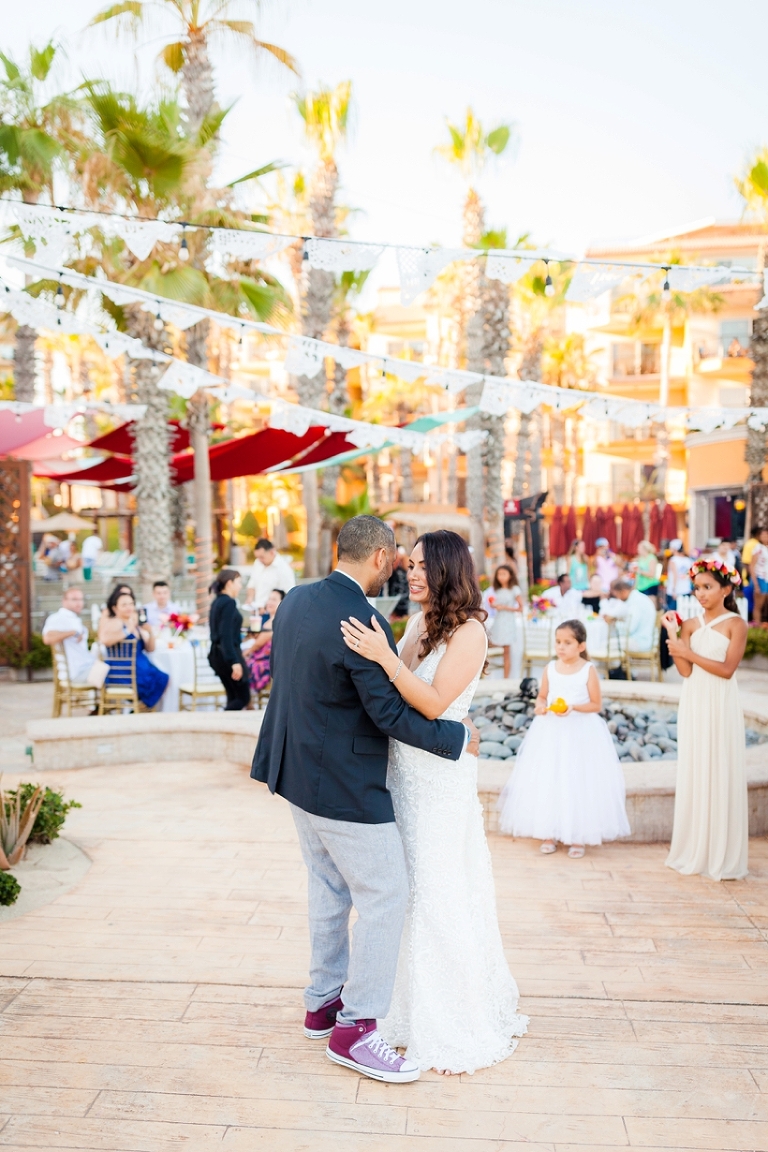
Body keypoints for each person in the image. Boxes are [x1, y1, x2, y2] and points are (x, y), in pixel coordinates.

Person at [251, 515, 480, 1084]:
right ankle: (354, 1030)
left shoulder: (296, 600)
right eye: (401, 559)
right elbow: (389, 714)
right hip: (344, 786)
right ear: (380, 557)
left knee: (329, 887)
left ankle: (322, 1003)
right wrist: (457, 738)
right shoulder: (362, 618)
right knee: (385, 895)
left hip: (295, 773)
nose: (404, 569)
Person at [339, 530, 527, 1075]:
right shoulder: (419, 623)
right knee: (404, 889)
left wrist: (384, 656)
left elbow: (433, 702)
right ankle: (397, 1008)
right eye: (410, 565)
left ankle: (450, 1019)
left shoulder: (470, 632)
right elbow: (394, 696)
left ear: (447, 569)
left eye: (423, 566)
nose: (412, 573)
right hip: (404, 773)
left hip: (440, 781)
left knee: (437, 889)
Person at [497, 619, 630, 857]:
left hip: (580, 731)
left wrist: (573, 707)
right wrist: (540, 706)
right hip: (551, 731)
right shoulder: (550, 668)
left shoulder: (588, 670)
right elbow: (542, 696)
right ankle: (549, 831)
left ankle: (577, 835)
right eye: (558, 641)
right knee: (550, 777)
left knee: (578, 780)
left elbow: (596, 704)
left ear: (581, 646)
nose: (561, 647)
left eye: (567, 642)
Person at [663, 559, 748, 881]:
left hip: (721, 702)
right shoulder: (689, 624)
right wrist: (673, 635)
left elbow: (726, 670)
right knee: (696, 767)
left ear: (726, 589)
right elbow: (685, 672)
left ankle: (720, 852)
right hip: (695, 701)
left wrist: (688, 653)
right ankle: (694, 847)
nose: (700, 593)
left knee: (721, 765)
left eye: (707, 587)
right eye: (697, 587)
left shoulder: (736, 624)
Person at [98, 587, 169, 709]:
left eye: (131, 604)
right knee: (158, 679)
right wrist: (127, 630)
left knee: (162, 678)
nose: (129, 607)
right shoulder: (116, 622)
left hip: (139, 668)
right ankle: (138, 710)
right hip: (123, 671)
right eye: (124, 605)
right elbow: (105, 640)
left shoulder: (134, 624)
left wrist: (150, 632)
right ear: (115, 608)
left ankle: (138, 710)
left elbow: (150, 649)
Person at [208, 569, 250, 711]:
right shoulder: (228, 603)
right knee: (243, 697)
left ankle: (225, 722)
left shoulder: (217, 601)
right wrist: (234, 661)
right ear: (229, 583)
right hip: (227, 655)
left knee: (233, 696)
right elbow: (225, 634)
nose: (240, 586)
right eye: (238, 582)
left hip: (217, 654)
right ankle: (219, 719)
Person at [42, 587, 95, 683]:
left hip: (86, 667)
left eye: (81, 599)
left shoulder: (74, 619)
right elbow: (47, 638)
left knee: (113, 667)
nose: (79, 603)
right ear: (64, 601)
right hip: (76, 673)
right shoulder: (58, 618)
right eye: (74, 599)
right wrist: (72, 633)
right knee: (112, 671)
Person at [244, 588, 285, 694]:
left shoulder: (276, 621)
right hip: (264, 661)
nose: (270, 602)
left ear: (282, 602)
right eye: (269, 599)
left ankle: (245, 699)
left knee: (241, 665)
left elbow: (258, 644)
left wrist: (245, 653)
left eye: (274, 599)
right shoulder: (269, 621)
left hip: (267, 665)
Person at [602, 578, 657, 653]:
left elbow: (630, 628)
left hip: (640, 641)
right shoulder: (637, 598)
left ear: (623, 591)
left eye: (617, 595)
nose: (618, 598)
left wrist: (614, 622)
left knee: (604, 644)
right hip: (643, 639)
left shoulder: (636, 602)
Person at [488, 563, 524, 678]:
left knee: (506, 652)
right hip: (498, 621)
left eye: (504, 574)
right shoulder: (497, 590)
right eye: (499, 574)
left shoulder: (514, 589)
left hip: (508, 622)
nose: (501, 577)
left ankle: (506, 678)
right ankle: (489, 674)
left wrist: (504, 607)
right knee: (489, 643)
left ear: (510, 575)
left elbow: (520, 608)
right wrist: (494, 605)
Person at [245, 538, 295, 610]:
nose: (259, 560)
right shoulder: (258, 563)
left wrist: (267, 608)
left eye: (262, 557)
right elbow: (252, 584)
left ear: (272, 552)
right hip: (256, 609)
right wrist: (250, 599)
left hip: (273, 612)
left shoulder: (284, 569)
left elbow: (288, 595)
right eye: (257, 557)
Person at [665, 539, 692, 609]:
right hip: (686, 589)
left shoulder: (673, 560)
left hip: (675, 591)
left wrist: (674, 590)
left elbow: (675, 576)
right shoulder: (688, 560)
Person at [387, 547, 411, 618]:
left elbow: (408, 566)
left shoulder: (404, 568)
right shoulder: (392, 571)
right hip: (393, 603)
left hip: (404, 603)